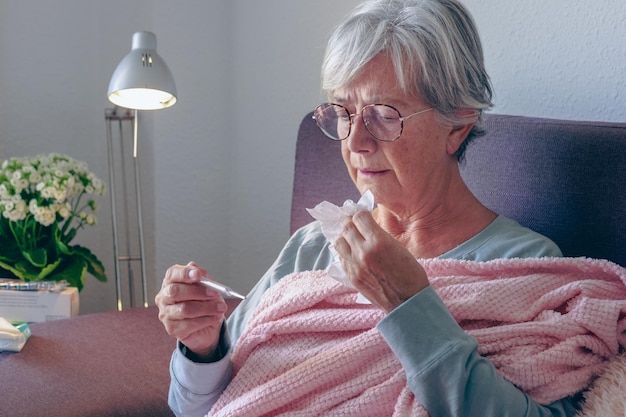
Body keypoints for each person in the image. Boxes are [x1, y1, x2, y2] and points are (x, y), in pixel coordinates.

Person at [156, 0, 579, 416]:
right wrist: (203, 346)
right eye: (343, 112)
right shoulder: (314, 246)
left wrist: (409, 302)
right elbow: (198, 408)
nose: (355, 141)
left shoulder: (524, 268)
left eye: (383, 114)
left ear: (457, 127)